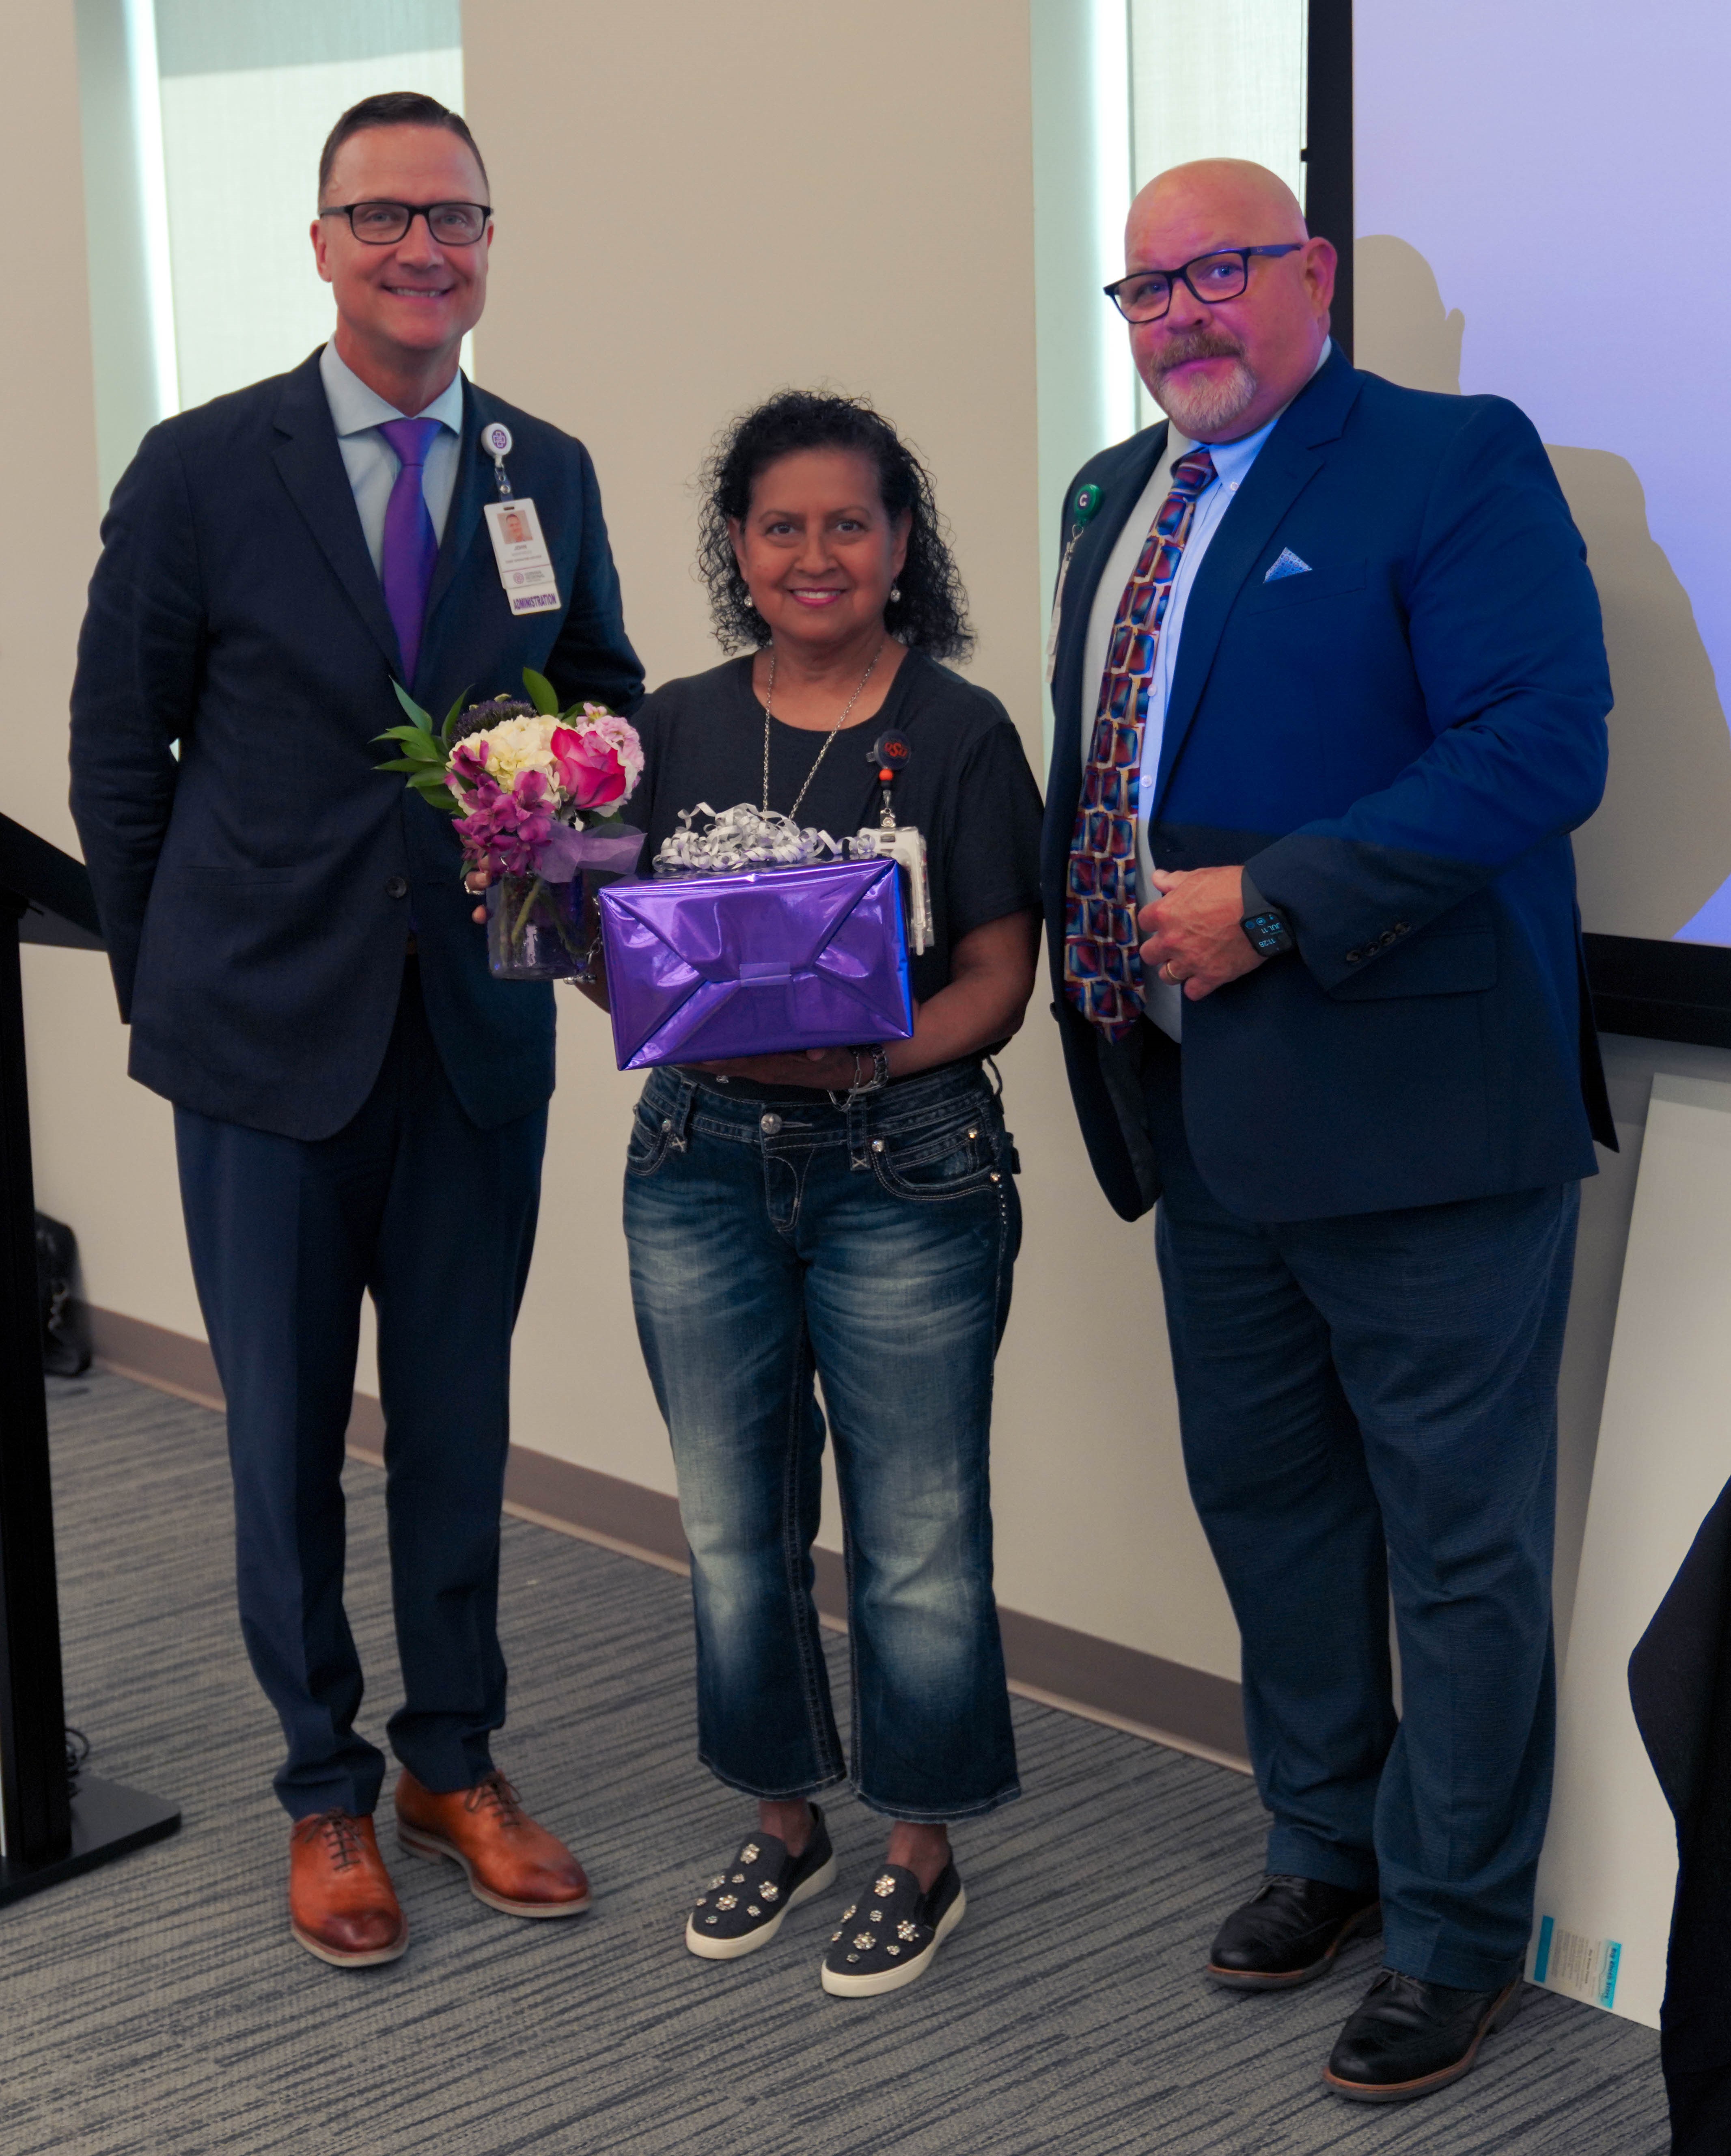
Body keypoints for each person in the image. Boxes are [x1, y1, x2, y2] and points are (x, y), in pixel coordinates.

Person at [1042, 160, 1612, 2102]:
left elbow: (1537, 740)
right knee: (1268, 1506)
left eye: (1214, 271)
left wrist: (1275, 900)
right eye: (1143, 289)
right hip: (1191, 1097)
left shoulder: (1449, 459)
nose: (1177, 315)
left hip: (1417, 1112)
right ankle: (1324, 1843)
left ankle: (1451, 1926)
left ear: (1308, 274)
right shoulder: (1108, 495)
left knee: (1453, 1544)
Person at [69, 92, 643, 1968]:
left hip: (472, 1028)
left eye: (454, 216)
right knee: (286, 1432)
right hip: (262, 1040)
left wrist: (571, 861)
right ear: (319, 244)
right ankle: (321, 1782)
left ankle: (449, 1759)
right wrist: (169, 984)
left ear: (487, 243)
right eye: (383, 215)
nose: (422, 248)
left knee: (458, 1420)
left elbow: (603, 709)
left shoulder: (544, 468)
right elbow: (119, 751)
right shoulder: (199, 467)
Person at [614, 391, 1043, 1996]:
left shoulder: (959, 729)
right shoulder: (668, 725)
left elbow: (998, 976)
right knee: (733, 1526)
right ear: (736, 547)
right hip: (694, 1163)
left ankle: (920, 1848)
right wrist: (534, 902)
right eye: (780, 526)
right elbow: (624, 965)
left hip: (903, 1165)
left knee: (915, 1535)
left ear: (900, 542)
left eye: (847, 524)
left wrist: (856, 1061)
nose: (815, 554)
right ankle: (783, 1817)